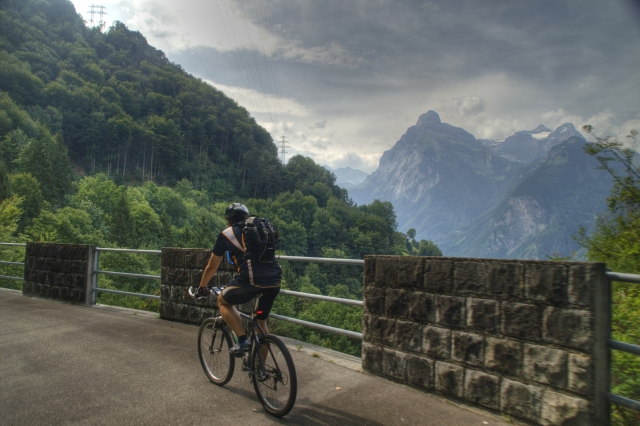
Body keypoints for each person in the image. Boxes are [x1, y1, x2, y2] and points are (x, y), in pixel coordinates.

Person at [195, 203, 282, 356]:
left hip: (251, 281)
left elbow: (211, 266)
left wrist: (202, 287)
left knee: (223, 301)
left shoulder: (227, 234)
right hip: (274, 281)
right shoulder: (258, 230)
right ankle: (260, 369)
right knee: (260, 323)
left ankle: (242, 341)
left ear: (228, 220)